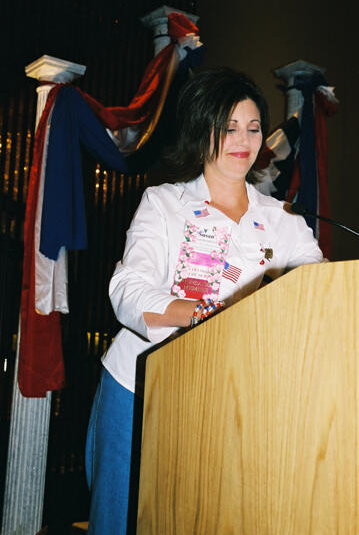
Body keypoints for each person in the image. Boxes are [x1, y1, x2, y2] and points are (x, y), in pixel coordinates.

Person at [85, 67, 323, 534]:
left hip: (233, 395)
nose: (244, 138)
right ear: (202, 129)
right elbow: (129, 288)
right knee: (121, 519)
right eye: (229, 126)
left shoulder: (284, 220)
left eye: (253, 127)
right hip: (140, 385)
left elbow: (314, 298)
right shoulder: (164, 203)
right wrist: (200, 317)